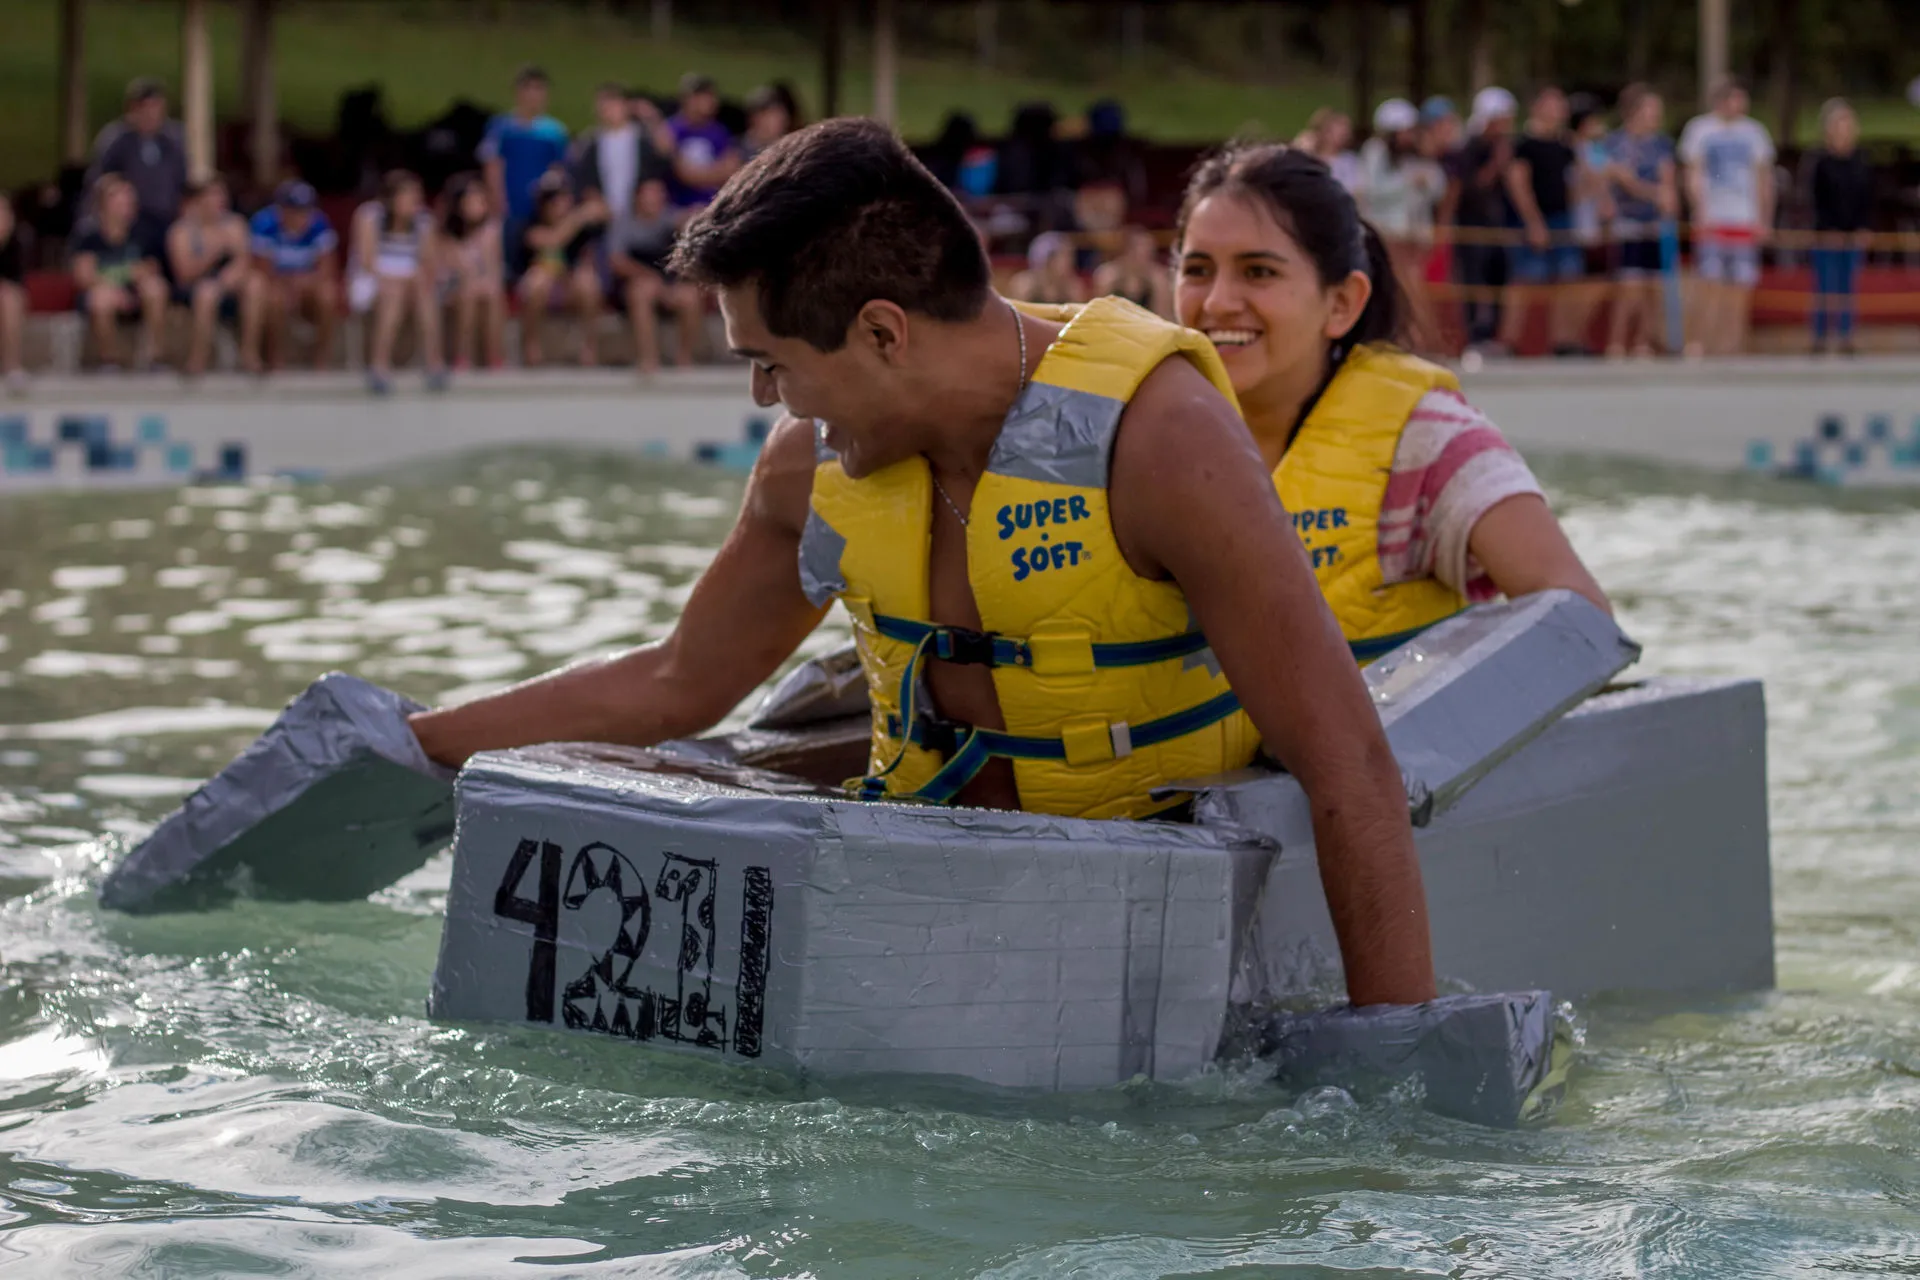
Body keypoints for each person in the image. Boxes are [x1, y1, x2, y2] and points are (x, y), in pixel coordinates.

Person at [407, 118, 1439, 1008]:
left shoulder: (1161, 441)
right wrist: (416, 743)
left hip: (1145, 914)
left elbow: (1348, 760)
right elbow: (679, 678)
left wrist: (1393, 1076)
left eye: (773, 360)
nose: (768, 396)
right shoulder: (806, 470)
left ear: (883, 332)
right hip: (913, 915)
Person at [1173, 143, 1608, 664]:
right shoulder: (1142, 442)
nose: (1218, 301)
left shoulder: (1429, 441)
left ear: (1342, 304)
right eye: (1197, 270)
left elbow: (1582, 625)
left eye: (1259, 272)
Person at [1678, 79, 1775, 357]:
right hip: (1713, 220)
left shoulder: (1755, 132)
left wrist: (1764, 218)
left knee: (1740, 286)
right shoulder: (1700, 129)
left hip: (1744, 219)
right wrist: (1699, 209)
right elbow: (1693, 173)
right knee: (1708, 283)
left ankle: (1732, 344)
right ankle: (1699, 342)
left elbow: (1763, 179)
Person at [1500, 86, 1586, 355]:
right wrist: (1533, 222)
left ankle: (1563, 340)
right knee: (1526, 279)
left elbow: (1577, 183)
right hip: (1533, 220)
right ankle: (1508, 340)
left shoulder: (1565, 145)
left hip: (1563, 219)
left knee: (1567, 278)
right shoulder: (1524, 144)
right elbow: (1518, 182)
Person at [1354, 98, 1446, 349]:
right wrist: (1407, 182)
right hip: (1389, 231)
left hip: (1414, 231)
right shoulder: (1375, 152)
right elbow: (1372, 190)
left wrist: (1426, 182)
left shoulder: (1416, 154)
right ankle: (1420, 339)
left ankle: (1423, 340)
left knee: (1414, 287)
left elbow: (1437, 188)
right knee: (1404, 287)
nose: (1407, 136)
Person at [348, 170, 445, 393]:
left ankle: (434, 363)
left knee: (423, 288)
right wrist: (396, 280)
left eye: (417, 197)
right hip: (372, 281)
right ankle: (379, 366)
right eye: (409, 196)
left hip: (412, 283)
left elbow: (429, 264)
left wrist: (413, 279)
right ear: (392, 198)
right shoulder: (368, 216)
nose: (415, 202)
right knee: (394, 292)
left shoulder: (424, 221)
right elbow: (366, 262)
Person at [1603, 84, 1677, 358]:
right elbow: (1623, 179)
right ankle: (1617, 342)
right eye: (1651, 110)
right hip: (1627, 221)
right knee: (1629, 286)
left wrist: (1667, 199)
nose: (1656, 116)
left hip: (1655, 223)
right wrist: (1656, 193)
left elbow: (1667, 178)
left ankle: (1643, 342)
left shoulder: (1661, 144)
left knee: (1652, 287)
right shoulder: (1615, 143)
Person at [479, 66, 570, 274]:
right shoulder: (501, 127)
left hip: (539, 211)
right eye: (528, 89)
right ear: (518, 92)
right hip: (509, 207)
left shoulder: (554, 131)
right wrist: (497, 201)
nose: (533, 96)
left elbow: (559, 169)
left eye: (539, 90)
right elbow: (493, 165)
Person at [605, 178, 702, 373]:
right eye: (650, 194)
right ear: (637, 198)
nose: (655, 199)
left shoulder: (671, 220)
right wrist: (647, 276)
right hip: (636, 285)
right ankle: (648, 359)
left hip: (668, 283)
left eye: (659, 193)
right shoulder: (624, 223)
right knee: (642, 291)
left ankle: (684, 358)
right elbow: (616, 260)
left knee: (690, 297)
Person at [242, 180, 340, 374]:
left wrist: (302, 283)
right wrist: (289, 283)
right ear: (281, 209)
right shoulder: (264, 223)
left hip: (307, 283)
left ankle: (322, 356)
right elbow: (262, 268)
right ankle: (275, 356)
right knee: (274, 297)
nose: (300, 217)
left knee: (328, 294)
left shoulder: (319, 223)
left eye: (304, 211)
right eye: (295, 211)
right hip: (277, 282)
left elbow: (327, 269)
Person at [71, 175, 167, 371]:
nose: (127, 203)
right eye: (120, 199)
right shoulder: (88, 235)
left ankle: (154, 358)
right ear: (104, 203)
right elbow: (84, 276)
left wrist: (131, 281)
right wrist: (117, 285)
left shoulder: (144, 231)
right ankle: (109, 361)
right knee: (101, 299)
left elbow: (151, 268)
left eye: (130, 199)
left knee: (156, 288)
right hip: (102, 292)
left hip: (135, 291)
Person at [1450, 87, 1518, 355]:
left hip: (1498, 227)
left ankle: (1493, 336)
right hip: (1473, 226)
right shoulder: (1469, 148)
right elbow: (1470, 188)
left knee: (1498, 280)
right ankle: (1474, 336)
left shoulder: (1507, 147)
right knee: (1473, 281)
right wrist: (1496, 165)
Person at [1804, 98, 1873, 356]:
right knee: (1824, 285)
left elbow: (1867, 197)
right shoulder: (1820, 162)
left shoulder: (1861, 161)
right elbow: (1815, 198)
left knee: (1848, 286)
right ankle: (1819, 337)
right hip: (1826, 232)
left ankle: (1847, 336)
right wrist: (1826, 228)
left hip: (1853, 232)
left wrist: (1863, 227)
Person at [84, 78, 189, 247]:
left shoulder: (174, 139)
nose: (152, 115)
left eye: (157, 108)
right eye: (146, 108)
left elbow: (184, 177)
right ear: (133, 109)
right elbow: (100, 180)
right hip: (131, 221)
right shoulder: (116, 140)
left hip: (168, 216)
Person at [517, 173, 605, 367]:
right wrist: (579, 216)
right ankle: (531, 345)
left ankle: (589, 347)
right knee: (537, 280)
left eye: (563, 198)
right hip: (542, 292)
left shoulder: (582, 229)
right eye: (553, 200)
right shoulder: (529, 226)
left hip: (570, 289)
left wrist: (596, 206)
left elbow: (605, 212)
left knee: (588, 281)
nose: (560, 204)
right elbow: (553, 240)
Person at [166, 176, 250, 377]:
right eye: (213, 195)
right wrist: (212, 253)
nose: (220, 200)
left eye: (222, 194)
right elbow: (184, 275)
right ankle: (198, 359)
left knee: (256, 287)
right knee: (206, 293)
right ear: (198, 200)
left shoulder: (235, 224)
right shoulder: (181, 230)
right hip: (195, 288)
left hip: (229, 285)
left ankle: (249, 354)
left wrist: (227, 280)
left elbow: (244, 261)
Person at [571, 82, 665, 247]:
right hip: (604, 216)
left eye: (613, 103)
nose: (608, 109)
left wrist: (652, 117)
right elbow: (586, 181)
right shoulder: (590, 143)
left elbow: (662, 160)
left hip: (638, 214)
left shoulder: (643, 139)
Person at [441, 173, 507, 372]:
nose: (478, 206)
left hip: (481, 286)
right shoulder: (447, 235)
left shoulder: (491, 232)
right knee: (470, 292)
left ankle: (495, 357)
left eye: (481, 201)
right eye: (471, 201)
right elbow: (453, 270)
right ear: (459, 205)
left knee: (493, 293)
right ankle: (462, 356)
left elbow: (493, 270)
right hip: (449, 287)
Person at [647, 73, 740, 212]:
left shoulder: (719, 131)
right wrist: (714, 173)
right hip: (678, 209)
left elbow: (732, 171)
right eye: (700, 96)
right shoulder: (672, 129)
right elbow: (684, 174)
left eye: (709, 96)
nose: (707, 101)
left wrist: (696, 173)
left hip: (712, 206)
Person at [1090, 225, 1171, 318]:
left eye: (1150, 252)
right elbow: (1099, 313)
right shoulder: (1107, 276)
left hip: (1146, 327)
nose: (1147, 257)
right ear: (1127, 251)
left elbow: (1162, 316)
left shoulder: (1158, 278)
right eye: (1142, 251)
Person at [1008, 231, 1086, 305]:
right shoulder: (1024, 284)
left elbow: (1076, 317)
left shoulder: (1073, 287)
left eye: (1070, 257)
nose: (1070, 262)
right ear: (1047, 261)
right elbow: (1017, 314)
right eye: (1065, 257)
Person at [0, 193, 29, 393]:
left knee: (10, 299)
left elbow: (16, 283)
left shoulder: (16, 244)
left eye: (4, 213)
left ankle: (12, 367)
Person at [1295, 108, 1359, 191]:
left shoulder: (1348, 159)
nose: (1345, 134)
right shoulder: (1309, 157)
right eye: (1338, 130)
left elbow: (1357, 190)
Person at [739, 85, 795, 163]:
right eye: (771, 115)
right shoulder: (737, 152)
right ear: (755, 118)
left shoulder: (791, 149)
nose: (782, 120)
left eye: (781, 114)